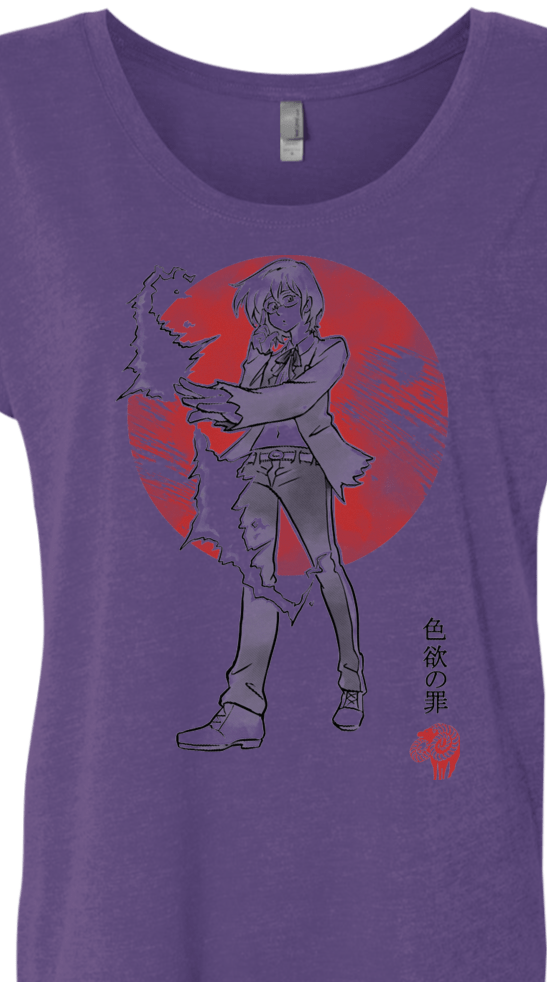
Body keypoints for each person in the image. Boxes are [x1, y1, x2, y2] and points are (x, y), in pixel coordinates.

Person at [174, 258, 372, 750]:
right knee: (256, 577)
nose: (277, 312)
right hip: (256, 467)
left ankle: (351, 680)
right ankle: (243, 710)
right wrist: (227, 394)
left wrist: (234, 401)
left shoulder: (330, 349)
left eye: (286, 301)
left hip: (303, 466)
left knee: (325, 566)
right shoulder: (262, 352)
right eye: (268, 306)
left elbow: (297, 398)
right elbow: (248, 409)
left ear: (308, 303)